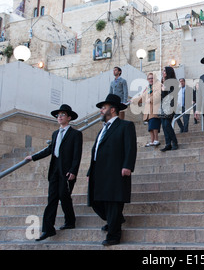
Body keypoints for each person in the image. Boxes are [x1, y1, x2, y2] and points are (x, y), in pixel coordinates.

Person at [25, 104, 83, 241]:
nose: (60, 117)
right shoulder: (55, 133)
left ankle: (70, 221)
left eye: (63, 114)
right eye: (58, 115)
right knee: (52, 199)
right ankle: (48, 229)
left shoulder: (75, 134)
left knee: (64, 195)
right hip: (55, 170)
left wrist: (73, 171)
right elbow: (49, 149)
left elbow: (77, 155)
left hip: (67, 171)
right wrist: (33, 157)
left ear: (69, 118)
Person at [87, 94, 137, 246]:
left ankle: (113, 235)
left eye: (104, 108)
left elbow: (130, 147)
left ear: (113, 109)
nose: (101, 110)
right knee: (95, 201)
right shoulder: (103, 128)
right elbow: (95, 150)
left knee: (113, 202)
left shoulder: (125, 125)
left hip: (115, 170)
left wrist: (127, 165)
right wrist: (90, 170)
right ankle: (114, 219)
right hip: (99, 171)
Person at [131, 72, 162, 147]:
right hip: (148, 109)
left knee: (154, 125)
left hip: (155, 108)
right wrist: (134, 100)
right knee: (150, 126)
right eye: (149, 78)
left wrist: (151, 99)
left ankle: (156, 140)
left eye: (152, 78)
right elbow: (142, 97)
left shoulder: (158, 85)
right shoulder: (148, 87)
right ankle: (152, 141)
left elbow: (158, 95)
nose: (151, 80)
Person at [159, 66, 179, 152]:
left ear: (169, 72)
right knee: (164, 125)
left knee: (167, 124)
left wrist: (163, 89)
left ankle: (174, 142)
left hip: (170, 106)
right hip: (163, 106)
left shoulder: (173, 82)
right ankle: (168, 144)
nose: (163, 72)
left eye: (164, 71)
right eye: (163, 71)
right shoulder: (163, 82)